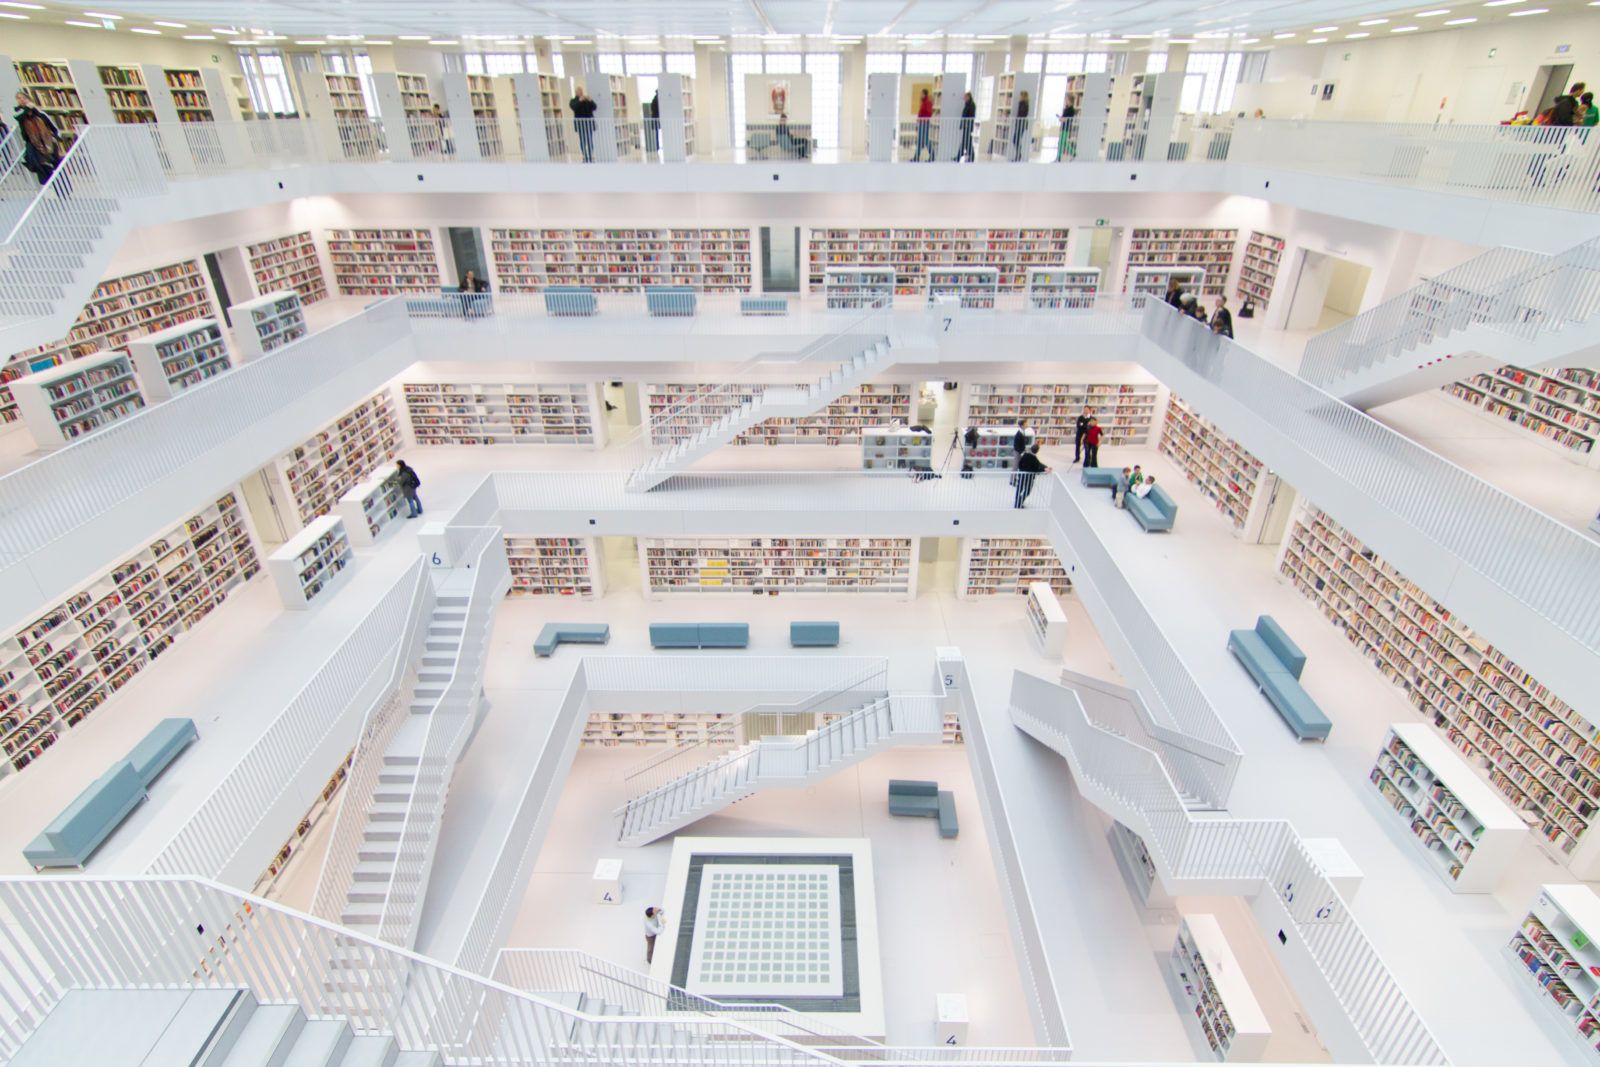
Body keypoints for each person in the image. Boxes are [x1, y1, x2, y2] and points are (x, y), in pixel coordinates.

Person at [14, 91, 63, 187]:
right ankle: (49, 184)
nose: (22, 100)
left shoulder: (41, 114)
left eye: (24, 98)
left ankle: (62, 188)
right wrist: (27, 108)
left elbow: (54, 128)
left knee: (57, 166)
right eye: (19, 99)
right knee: (42, 165)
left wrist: (55, 138)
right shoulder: (19, 114)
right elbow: (19, 117)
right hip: (34, 144)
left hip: (48, 144)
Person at [1013, 443, 1049, 508]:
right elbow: (1036, 470)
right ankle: (1019, 502)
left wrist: (1021, 470)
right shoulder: (1035, 460)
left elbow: (1020, 464)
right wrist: (1044, 469)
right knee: (1027, 491)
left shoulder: (1025, 455)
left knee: (1019, 489)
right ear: (1037, 451)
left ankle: (1017, 502)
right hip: (1029, 478)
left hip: (1022, 475)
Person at [570, 87, 598, 162]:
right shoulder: (573, 101)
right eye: (579, 91)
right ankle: (584, 155)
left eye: (581, 91)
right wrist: (580, 101)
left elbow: (595, 107)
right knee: (582, 140)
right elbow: (574, 107)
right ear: (576, 92)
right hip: (580, 124)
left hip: (589, 124)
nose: (581, 93)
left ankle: (590, 154)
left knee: (589, 140)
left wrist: (590, 100)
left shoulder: (587, 100)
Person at [913, 88, 934, 162]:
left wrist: (922, 118)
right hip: (921, 122)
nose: (920, 95)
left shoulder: (927, 102)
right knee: (920, 140)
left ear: (924, 94)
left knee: (925, 140)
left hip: (924, 123)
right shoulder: (923, 102)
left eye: (921, 94)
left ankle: (932, 154)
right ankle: (916, 156)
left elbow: (929, 113)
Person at [957, 92, 976, 162]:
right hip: (966, 126)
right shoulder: (967, 105)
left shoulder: (971, 105)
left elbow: (970, 116)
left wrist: (966, 124)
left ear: (968, 97)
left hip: (968, 126)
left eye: (965, 97)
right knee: (967, 142)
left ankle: (961, 156)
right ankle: (966, 155)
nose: (964, 98)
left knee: (967, 141)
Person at [1012, 90, 1030, 162]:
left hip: (1021, 124)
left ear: (1023, 97)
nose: (1019, 97)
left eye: (1020, 96)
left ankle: (1018, 155)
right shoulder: (1022, 104)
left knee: (1016, 139)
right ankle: (1018, 154)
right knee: (1016, 139)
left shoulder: (1024, 104)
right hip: (1019, 124)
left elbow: (1022, 114)